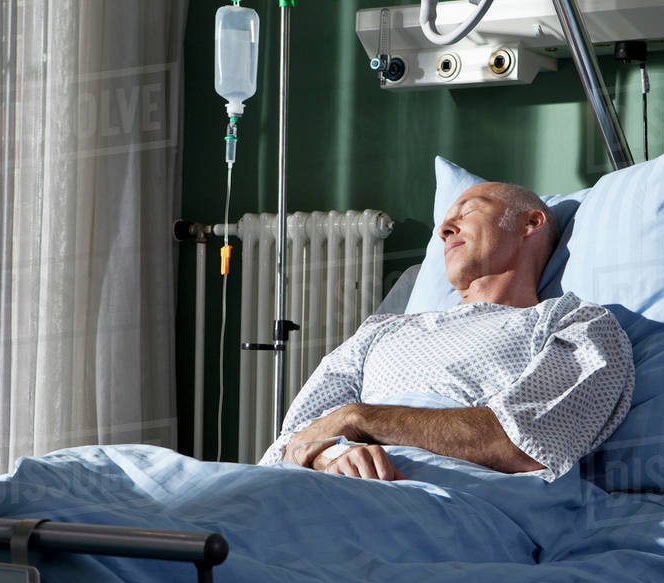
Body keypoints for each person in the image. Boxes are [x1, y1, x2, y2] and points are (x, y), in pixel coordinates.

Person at [259, 181, 634, 482]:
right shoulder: (381, 332)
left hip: (444, 497)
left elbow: (524, 443)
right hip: (323, 487)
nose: (444, 229)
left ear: (530, 224)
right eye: (445, 220)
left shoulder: (574, 323)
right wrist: (333, 456)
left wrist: (360, 420)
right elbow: (292, 444)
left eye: (469, 210)